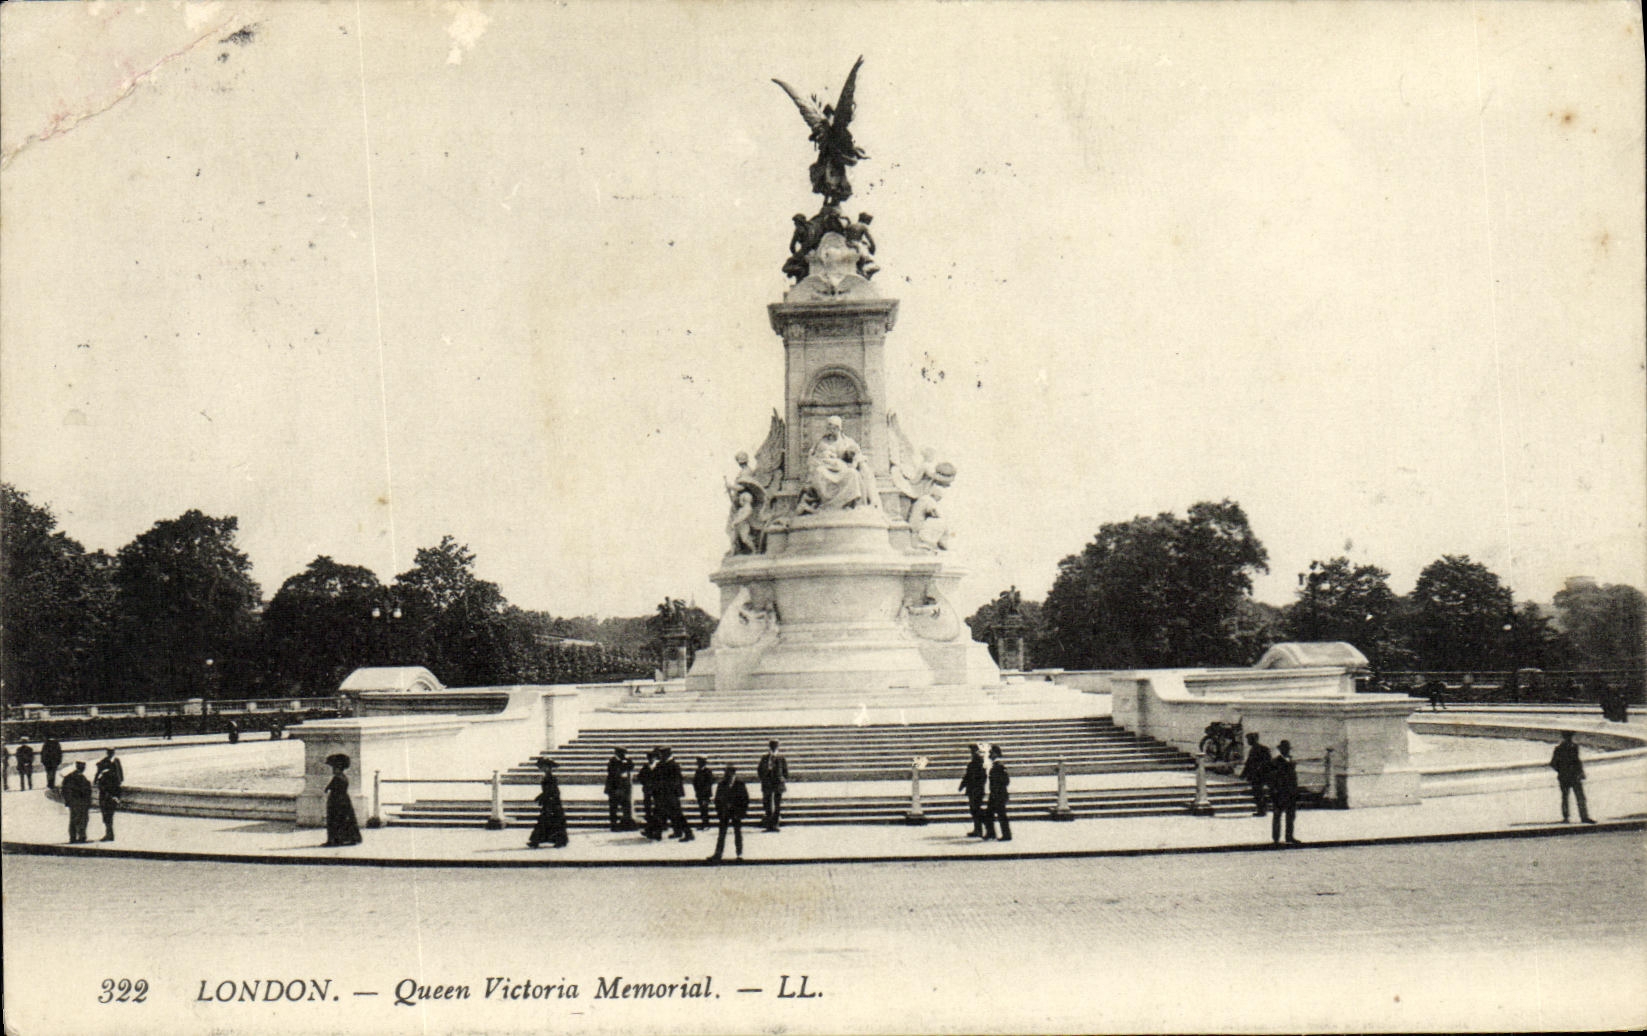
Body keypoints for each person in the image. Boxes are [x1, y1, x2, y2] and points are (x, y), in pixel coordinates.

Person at [1550, 730, 1597, 824]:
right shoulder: (1573, 747)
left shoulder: (1560, 748)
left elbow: (1553, 763)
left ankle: (1567, 817)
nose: (1570, 739)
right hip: (1573, 776)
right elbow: (1577, 762)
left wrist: (1561, 771)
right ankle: (1583, 817)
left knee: (1566, 797)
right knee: (1578, 797)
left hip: (1566, 776)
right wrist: (1579, 772)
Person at [707, 764, 751, 863]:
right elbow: (717, 800)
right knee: (721, 834)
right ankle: (718, 853)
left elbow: (745, 799)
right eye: (726, 774)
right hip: (725, 813)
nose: (728, 777)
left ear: (734, 774)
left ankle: (739, 854)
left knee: (738, 834)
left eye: (730, 774)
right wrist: (719, 812)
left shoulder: (740, 785)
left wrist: (741, 812)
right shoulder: (721, 785)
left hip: (736, 813)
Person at [322, 753, 363, 847]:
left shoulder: (337, 778)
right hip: (344, 801)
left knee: (335, 820)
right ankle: (346, 839)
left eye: (334, 768)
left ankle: (335, 840)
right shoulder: (343, 777)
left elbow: (328, 789)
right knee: (345, 820)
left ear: (338, 769)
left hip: (336, 801)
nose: (333, 770)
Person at [527, 758, 569, 849]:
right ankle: (535, 841)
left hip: (553, 804)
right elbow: (547, 791)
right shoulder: (547, 777)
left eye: (543, 767)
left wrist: (546, 797)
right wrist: (541, 796)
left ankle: (558, 841)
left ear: (548, 767)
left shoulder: (551, 778)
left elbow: (555, 792)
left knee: (552, 822)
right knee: (545, 821)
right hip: (549, 803)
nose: (541, 769)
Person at [654, 747, 693, 842]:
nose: (660, 756)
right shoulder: (662, 764)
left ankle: (688, 833)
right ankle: (676, 832)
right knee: (665, 814)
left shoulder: (673, 765)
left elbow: (677, 781)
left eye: (662, 754)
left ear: (667, 754)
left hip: (671, 795)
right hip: (664, 794)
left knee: (677, 815)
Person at [1269, 740, 1300, 846]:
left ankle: (1289, 836)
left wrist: (1295, 790)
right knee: (1277, 816)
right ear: (1281, 750)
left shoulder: (1291, 761)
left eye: (1287, 748)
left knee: (1291, 816)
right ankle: (1276, 838)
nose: (1286, 750)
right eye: (1284, 748)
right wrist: (1274, 790)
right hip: (1280, 792)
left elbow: (1293, 778)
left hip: (1291, 792)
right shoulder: (1275, 762)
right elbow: (1272, 777)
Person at [758, 739, 789, 832]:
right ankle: (769, 825)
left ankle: (775, 824)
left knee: (777, 804)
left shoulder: (781, 758)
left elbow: (785, 771)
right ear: (769, 746)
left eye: (775, 746)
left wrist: (783, 778)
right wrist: (763, 778)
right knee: (767, 804)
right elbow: (759, 769)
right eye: (772, 746)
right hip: (767, 783)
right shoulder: (765, 758)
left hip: (777, 784)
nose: (774, 747)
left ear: (778, 747)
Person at [982, 745, 1011, 842]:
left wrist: (997, 789)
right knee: (990, 814)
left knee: (1000, 814)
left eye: (991, 752)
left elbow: (1006, 781)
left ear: (996, 753)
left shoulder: (999, 765)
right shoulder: (995, 765)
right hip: (995, 794)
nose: (989, 754)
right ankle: (992, 833)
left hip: (998, 794)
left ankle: (1005, 835)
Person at [94, 748, 124, 842]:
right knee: (106, 816)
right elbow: (97, 776)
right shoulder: (105, 762)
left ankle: (109, 834)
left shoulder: (116, 762)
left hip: (110, 794)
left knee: (108, 815)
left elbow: (120, 777)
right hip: (108, 794)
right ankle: (109, 833)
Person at [959, 743, 988, 837]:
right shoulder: (973, 763)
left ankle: (985, 826)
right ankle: (978, 829)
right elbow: (968, 776)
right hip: (973, 790)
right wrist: (962, 785)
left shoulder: (979, 763)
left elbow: (982, 777)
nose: (972, 753)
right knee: (974, 810)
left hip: (976, 790)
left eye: (973, 751)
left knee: (976, 810)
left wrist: (978, 786)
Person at [1240, 733, 1272, 817]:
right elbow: (1248, 763)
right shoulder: (1253, 749)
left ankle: (1262, 810)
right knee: (1257, 793)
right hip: (1256, 776)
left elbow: (1268, 762)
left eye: (1249, 739)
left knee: (1259, 793)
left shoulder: (1263, 749)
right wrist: (1244, 774)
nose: (1248, 741)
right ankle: (1261, 810)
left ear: (1254, 739)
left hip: (1260, 775)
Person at [61, 762, 94, 843]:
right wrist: (70, 800)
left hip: (79, 802)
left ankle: (76, 837)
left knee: (78, 819)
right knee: (78, 819)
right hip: (77, 802)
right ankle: (79, 836)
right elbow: (67, 790)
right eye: (82, 767)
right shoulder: (73, 777)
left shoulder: (76, 777)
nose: (83, 768)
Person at [605, 747, 636, 831]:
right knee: (613, 807)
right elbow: (613, 773)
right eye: (623, 754)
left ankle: (626, 824)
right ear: (618, 753)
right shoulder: (612, 761)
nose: (624, 755)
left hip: (623, 788)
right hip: (614, 788)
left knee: (625, 806)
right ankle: (614, 825)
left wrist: (627, 760)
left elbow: (631, 766)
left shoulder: (625, 760)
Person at [637, 749, 661, 840]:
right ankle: (649, 829)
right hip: (647, 791)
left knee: (657, 810)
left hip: (657, 791)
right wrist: (645, 783)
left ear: (655, 758)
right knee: (648, 811)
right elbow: (640, 776)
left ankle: (656, 830)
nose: (650, 759)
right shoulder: (645, 767)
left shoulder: (659, 766)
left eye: (652, 757)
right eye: (649, 758)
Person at [692, 756, 716, 831]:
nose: (698, 763)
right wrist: (697, 790)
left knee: (705, 809)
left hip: (705, 794)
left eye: (699, 762)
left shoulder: (708, 771)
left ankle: (706, 824)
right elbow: (694, 782)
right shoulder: (697, 771)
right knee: (702, 810)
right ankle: (703, 824)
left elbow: (710, 782)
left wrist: (705, 792)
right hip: (699, 794)